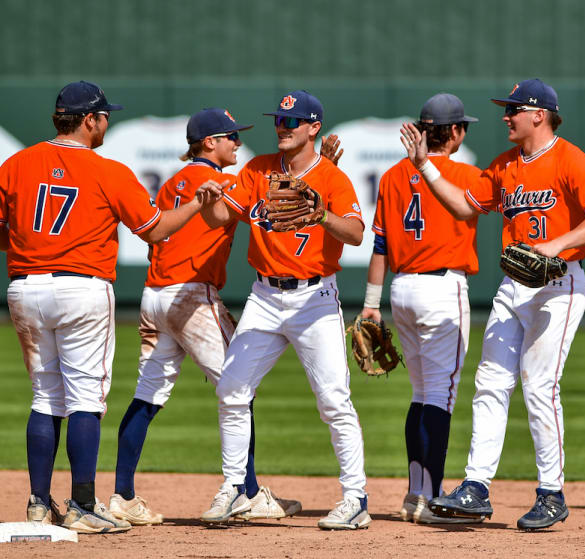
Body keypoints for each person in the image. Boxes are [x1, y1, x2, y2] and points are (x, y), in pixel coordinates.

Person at [0, 81, 226, 534]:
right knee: (85, 399)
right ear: (89, 120)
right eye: (104, 116)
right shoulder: (108, 170)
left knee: (45, 397)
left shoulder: (16, 164)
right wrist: (198, 207)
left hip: (24, 288)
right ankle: (83, 503)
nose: (106, 122)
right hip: (81, 288)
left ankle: (39, 504)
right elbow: (156, 229)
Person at [405, 78, 585, 530]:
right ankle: (476, 488)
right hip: (514, 285)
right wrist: (425, 168)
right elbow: (465, 207)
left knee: (540, 387)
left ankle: (551, 493)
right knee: (490, 382)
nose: (506, 116)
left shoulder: (571, 160)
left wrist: (555, 246)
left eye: (513, 109)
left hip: (559, 285)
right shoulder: (505, 165)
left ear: (539, 114)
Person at [109, 108, 301, 526]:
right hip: (192, 296)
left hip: (154, 295)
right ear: (209, 142)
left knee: (147, 394)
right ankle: (247, 493)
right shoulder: (220, 182)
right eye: (231, 136)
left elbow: (155, 238)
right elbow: (274, 213)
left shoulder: (174, 182)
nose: (237, 142)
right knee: (238, 390)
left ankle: (122, 495)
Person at [200, 90, 371, 530]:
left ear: (314, 127)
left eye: (292, 121)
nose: (283, 126)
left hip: (314, 298)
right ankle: (235, 489)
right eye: (279, 119)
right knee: (232, 390)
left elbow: (355, 233)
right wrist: (207, 200)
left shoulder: (330, 178)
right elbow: (221, 216)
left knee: (334, 400)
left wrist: (323, 217)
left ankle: (355, 498)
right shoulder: (257, 170)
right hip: (264, 297)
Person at [360, 93, 481, 525]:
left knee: (420, 394)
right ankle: (431, 499)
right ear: (456, 132)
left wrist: (371, 305)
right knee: (440, 397)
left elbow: (379, 245)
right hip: (442, 289)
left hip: (401, 290)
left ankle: (415, 494)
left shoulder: (393, 175)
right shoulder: (468, 174)